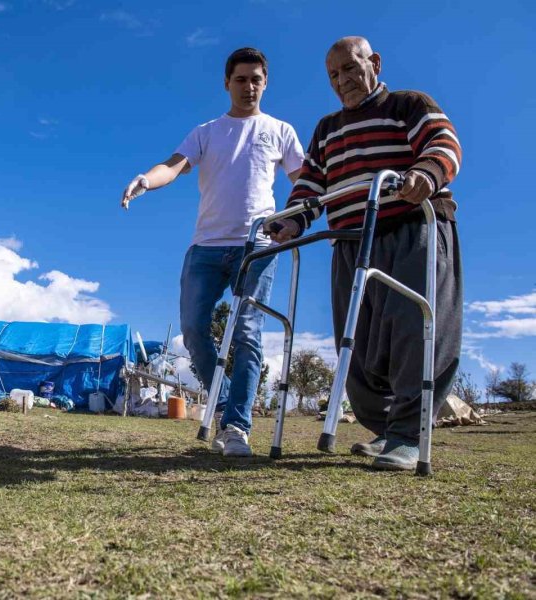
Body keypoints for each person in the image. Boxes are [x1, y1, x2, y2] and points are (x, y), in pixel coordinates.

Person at [270, 36, 462, 471]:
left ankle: (410, 435)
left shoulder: (407, 105)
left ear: (373, 62)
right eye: (333, 76)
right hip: (353, 240)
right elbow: (311, 187)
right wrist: (292, 220)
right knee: (356, 342)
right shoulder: (327, 128)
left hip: (410, 228)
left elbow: (444, 144)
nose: (343, 81)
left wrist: (426, 174)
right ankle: (384, 429)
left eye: (350, 69)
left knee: (413, 328)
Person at [121, 48, 303, 457]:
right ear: (227, 83)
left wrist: (295, 218)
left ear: (265, 83)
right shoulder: (207, 131)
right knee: (194, 329)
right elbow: (173, 165)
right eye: (241, 79)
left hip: (256, 244)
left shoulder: (280, 131)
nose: (249, 86)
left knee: (247, 331)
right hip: (205, 246)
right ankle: (221, 408)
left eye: (256, 79)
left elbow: (303, 181)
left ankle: (237, 427)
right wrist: (145, 181)